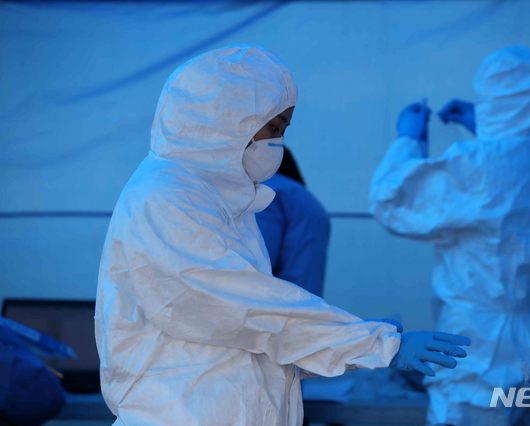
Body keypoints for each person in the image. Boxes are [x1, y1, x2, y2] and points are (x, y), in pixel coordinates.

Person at [95, 45, 470, 426]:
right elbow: (239, 308)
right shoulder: (166, 197)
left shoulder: (225, 199)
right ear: (226, 120)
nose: (276, 144)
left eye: (283, 131)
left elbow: (257, 329)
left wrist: (347, 337)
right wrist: (369, 342)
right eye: (272, 129)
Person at [369, 46, 530, 425]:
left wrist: (408, 138)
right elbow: (516, 180)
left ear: (493, 99)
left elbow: (391, 200)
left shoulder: (477, 163)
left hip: (481, 339)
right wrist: (486, 126)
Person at [256, 146, 330, 297]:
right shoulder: (303, 196)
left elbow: (257, 260)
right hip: (307, 302)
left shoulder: (266, 191)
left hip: (269, 302)